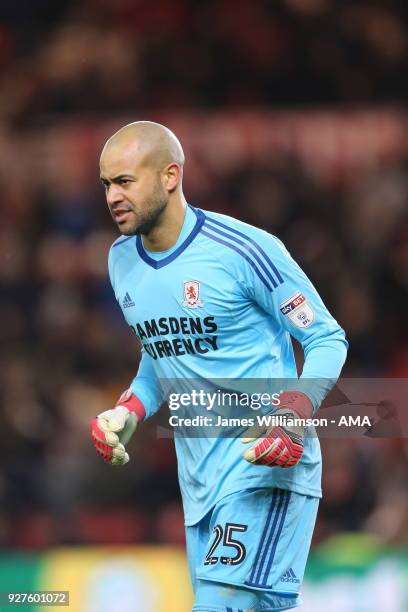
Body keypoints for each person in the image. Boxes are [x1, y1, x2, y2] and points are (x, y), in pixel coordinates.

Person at [91, 121, 348, 612]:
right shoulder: (122, 259)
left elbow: (325, 337)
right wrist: (131, 409)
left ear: (170, 176)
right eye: (106, 184)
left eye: (125, 181)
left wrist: (290, 415)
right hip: (201, 487)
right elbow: (160, 351)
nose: (112, 197)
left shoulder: (246, 251)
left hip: (265, 468)